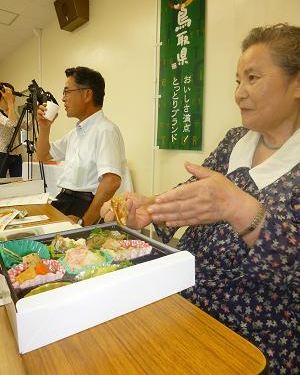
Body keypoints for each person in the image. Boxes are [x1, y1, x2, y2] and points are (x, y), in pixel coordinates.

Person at [101, 24, 300, 374]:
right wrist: (148, 208)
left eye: (252, 78)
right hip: (182, 301)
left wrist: (239, 209)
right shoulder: (236, 139)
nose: (239, 93)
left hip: (252, 336)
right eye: (237, 80)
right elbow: (189, 196)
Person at [36, 66, 126, 226]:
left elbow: (111, 181)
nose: (63, 99)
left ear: (87, 94)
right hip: (65, 200)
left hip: (84, 206)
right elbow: (43, 156)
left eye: (67, 92)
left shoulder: (105, 130)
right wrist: (44, 127)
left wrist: (84, 223)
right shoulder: (76, 132)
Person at [0, 82, 23, 177]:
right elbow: (11, 123)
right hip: (1, 153)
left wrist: (37, 116)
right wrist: (9, 102)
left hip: (16, 152)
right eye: (11, 93)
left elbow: (27, 126)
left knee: (17, 181)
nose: (13, 96)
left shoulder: (13, 112)